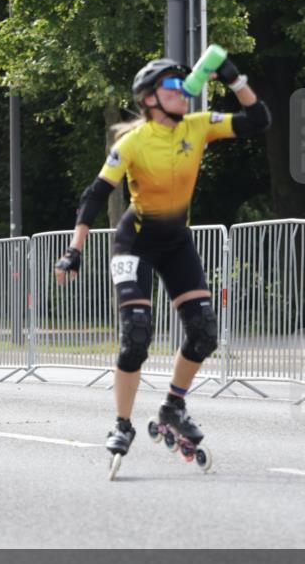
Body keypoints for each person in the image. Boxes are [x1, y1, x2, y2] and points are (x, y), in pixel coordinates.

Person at [54, 53, 271, 460]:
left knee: (204, 333)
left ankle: (173, 406)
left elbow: (258, 121)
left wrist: (234, 78)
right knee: (136, 337)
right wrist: (74, 250)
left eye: (183, 84)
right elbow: (94, 196)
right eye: (172, 85)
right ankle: (122, 424)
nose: (183, 91)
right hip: (135, 243)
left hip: (176, 244)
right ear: (149, 99)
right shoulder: (132, 142)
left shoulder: (198, 126)